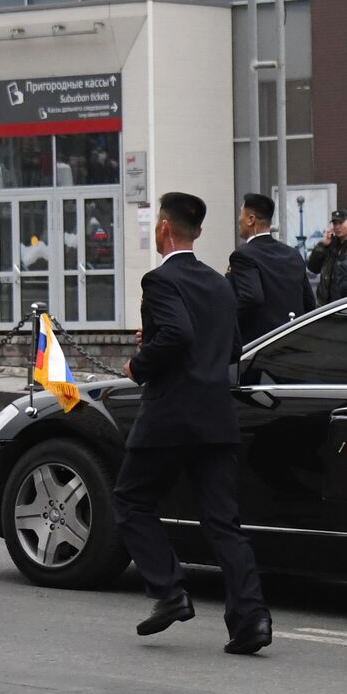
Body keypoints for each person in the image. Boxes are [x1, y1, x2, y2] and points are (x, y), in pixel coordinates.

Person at [113, 192, 272, 652]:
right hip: (215, 416)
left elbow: (178, 334)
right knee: (223, 522)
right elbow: (232, 349)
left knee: (129, 501)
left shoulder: (159, 279)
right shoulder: (220, 285)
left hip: (169, 414)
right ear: (197, 232)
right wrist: (165, 336)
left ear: (164, 229)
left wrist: (139, 363)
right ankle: (251, 619)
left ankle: (169, 590)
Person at [226, 193, 316, 342]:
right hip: (294, 340)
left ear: (251, 219)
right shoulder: (292, 254)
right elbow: (308, 302)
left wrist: (227, 321)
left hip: (259, 344)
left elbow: (251, 297)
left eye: (241, 214)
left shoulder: (243, 255)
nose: (238, 220)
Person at [308, 209, 347, 304]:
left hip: (346, 303)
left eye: (340, 223)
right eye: (335, 224)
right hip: (325, 304)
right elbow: (313, 267)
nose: (337, 227)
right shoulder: (329, 245)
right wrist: (322, 245)